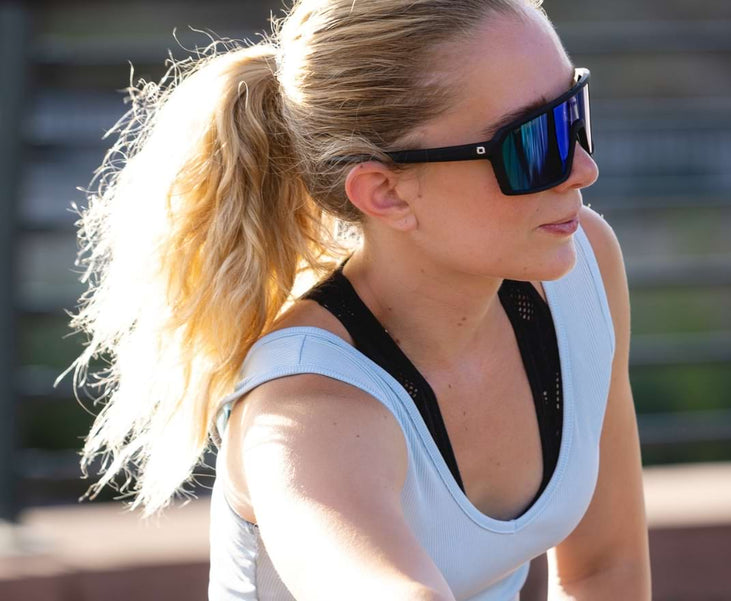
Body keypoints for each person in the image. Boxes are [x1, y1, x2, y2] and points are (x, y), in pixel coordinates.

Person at [61, 0, 650, 599]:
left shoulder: (579, 268)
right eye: (535, 142)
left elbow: (605, 570)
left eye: (572, 113)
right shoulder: (308, 411)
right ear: (386, 193)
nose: (584, 168)